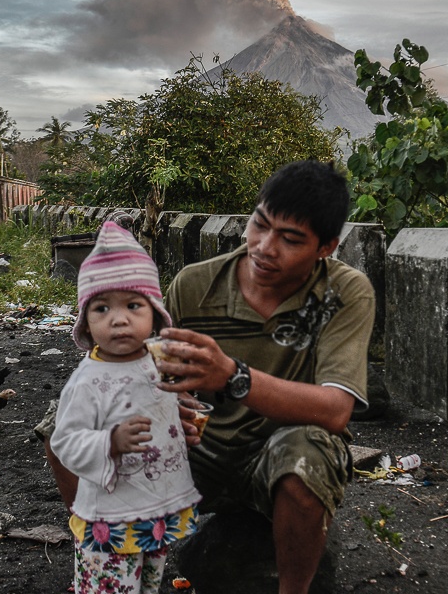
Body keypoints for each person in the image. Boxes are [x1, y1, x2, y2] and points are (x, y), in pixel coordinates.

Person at [155, 160, 375, 594]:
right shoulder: (194, 284)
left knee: (308, 452)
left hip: (276, 456)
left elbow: (335, 410)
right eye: (260, 224)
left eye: (290, 239)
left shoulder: (343, 293)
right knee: (72, 421)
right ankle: (109, 568)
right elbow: (147, 370)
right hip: (199, 454)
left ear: (326, 247)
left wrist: (232, 375)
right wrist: (163, 406)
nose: (264, 247)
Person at [49, 221, 201, 594]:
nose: (119, 318)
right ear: (85, 322)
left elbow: (168, 408)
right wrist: (110, 442)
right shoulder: (88, 381)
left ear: (155, 313)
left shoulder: (159, 362)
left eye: (133, 305)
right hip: (112, 519)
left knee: (149, 586)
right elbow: (64, 442)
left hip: (156, 508)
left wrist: (184, 422)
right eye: (102, 308)